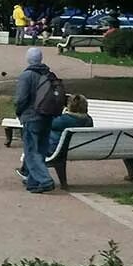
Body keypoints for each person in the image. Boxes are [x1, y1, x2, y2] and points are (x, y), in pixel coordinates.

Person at [13, 45, 62, 193]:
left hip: (31, 117)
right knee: (40, 150)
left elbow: (21, 99)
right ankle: (33, 182)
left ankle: (45, 180)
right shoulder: (49, 74)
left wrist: (19, 112)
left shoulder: (27, 76)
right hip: (47, 116)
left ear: (28, 59)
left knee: (31, 151)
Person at [46, 93, 93, 159]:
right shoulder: (89, 120)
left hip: (54, 151)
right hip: (76, 150)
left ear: (69, 106)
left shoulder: (64, 120)